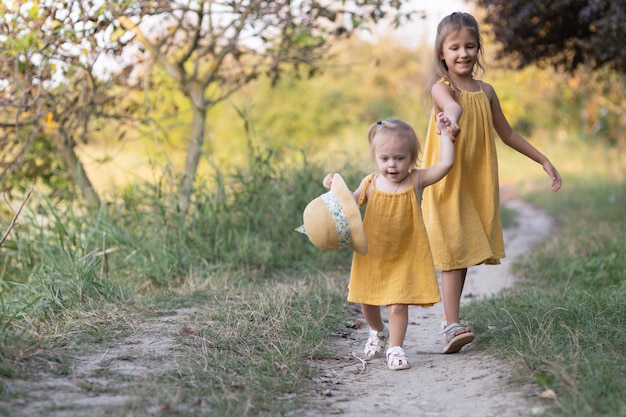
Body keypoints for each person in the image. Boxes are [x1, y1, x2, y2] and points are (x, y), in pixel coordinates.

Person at [421, 12, 563, 354]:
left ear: (478, 49)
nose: (463, 53)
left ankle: (449, 321)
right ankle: (451, 324)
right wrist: (450, 124)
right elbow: (451, 108)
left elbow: (508, 133)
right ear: (442, 53)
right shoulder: (441, 89)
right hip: (448, 179)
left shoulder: (486, 92)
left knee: (465, 250)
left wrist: (543, 159)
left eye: (470, 46)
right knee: (455, 251)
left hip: (476, 183)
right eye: (454, 47)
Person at [323, 114, 454, 370]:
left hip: (405, 254)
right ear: (376, 158)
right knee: (367, 301)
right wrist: (333, 187)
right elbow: (349, 203)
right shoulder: (371, 182)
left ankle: (395, 348)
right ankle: (377, 331)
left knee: (397, 304)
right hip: (372, 253)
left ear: (411, 157)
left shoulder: (416, 180)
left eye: (399, 158)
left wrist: (445, 134)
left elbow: (446, 164)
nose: (391, 165)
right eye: (384, 159)